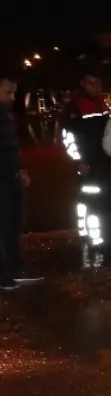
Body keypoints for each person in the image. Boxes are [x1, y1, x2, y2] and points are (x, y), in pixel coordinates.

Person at [63, 69, 111, 252]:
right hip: (88, 164)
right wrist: (79, 161)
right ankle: (96, 240)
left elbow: (108, 134)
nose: (95, 87)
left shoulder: (100, 104)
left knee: (108, 198)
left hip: (103, 161)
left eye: (98, 83)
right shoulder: (77, 107)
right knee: (93, 201)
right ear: (83, 84)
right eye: (91, 83)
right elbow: (68, 137)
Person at [0, 77, 33, 289]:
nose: (11, 97)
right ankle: (3, 275)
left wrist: (19, 170)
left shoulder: (6, 115)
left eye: (13, 92)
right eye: (7, 92)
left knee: (12, 226)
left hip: (10, 177)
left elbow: (11, 148)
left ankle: (13, 268)